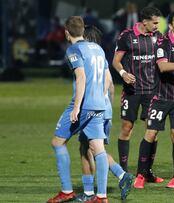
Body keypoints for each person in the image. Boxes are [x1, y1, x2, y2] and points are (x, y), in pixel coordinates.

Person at [133, 11, 174, 189]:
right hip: (160, 98)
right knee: (151, 133)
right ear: (170, 26)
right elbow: (162, 67)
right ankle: (141, 174)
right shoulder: (162, 43)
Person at [47, 16, 109, 203]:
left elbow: (80, 77)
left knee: (58, 142)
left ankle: (66, 191)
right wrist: (100, 97)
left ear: (67, 32)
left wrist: (76, 107)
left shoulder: (74, 49)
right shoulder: (98, 48)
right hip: (100, 104)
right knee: (98, 148)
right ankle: (102, 197)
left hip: (84, 105)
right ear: (83, 30)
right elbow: (107, 78)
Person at [74, 25, 133, 202]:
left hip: (91, 109)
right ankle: (120, 176)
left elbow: (84, 84)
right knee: (95, 149)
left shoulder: (86, 59)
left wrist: (85, 105)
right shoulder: (101, 57)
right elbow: (110, 84)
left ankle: (92, 192)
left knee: (87, 149)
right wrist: (107, 107)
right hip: (104, 109)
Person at [112, 6, 163, 183]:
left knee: (153, 131)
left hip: (152, 91)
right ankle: (124, 173)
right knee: (127, 128)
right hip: (132, 91)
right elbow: (116, 61)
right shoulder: (127, 36)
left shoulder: (159, 36)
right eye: (155, 23)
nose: (157, 26)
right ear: (145, 22)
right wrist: (123, 74)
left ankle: (147, 171)